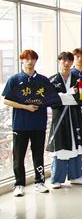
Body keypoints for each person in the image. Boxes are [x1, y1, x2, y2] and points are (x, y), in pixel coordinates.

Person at [3, 49, 59, 196]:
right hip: (20, 124)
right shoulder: (15, 79)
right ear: (22, 60)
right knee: (19, 156)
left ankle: (39, 182)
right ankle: (19, 184)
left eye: (32, 58)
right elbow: (6, 100)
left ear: (36, 61)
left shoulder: (43, 80)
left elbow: (52, 98)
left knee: (38, 154)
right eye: (26, 58)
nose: (29, 61)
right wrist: (25, 106)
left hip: (38, 124)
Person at [47, 52, 82, 188]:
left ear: (72, 63)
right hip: (59, 118)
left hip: (75, 117)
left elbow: (80, 99)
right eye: (63, 61)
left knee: (75, 145)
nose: (66, 63)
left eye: (69, 61)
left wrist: (62, 97)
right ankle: (56, 179)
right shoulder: (52, 80)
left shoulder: (79, 80)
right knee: (60, 147)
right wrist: (69, 96)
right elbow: (51, 100)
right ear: (59, 62)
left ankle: (76, 176)